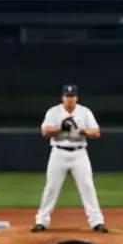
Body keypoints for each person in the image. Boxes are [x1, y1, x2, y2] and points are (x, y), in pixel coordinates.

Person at [32, 84, 108, 234]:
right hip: (58, 152)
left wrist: (83, 130)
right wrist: (61, 128)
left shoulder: (84, 112)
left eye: (72, 96)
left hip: (79, 153)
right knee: (51, 188)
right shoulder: (54, 112)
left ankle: (97, 222)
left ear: (76, 98)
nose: (70, 99)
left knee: (87, 186)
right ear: (63, 98)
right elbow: (45, 131)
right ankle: (41, 221)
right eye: (67, 96)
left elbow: (96, 132)